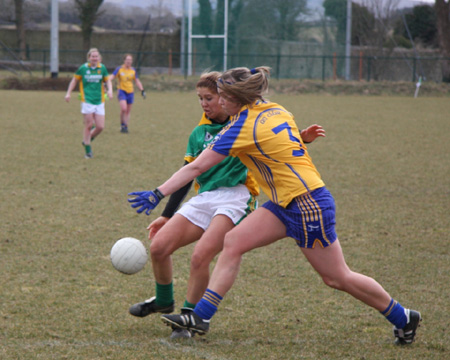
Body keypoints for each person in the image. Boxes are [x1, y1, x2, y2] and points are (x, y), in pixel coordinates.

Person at [128, 66, 421, 345]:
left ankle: (404, 317)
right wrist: (303, 140)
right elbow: (283, 145)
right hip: (284, 203)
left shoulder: (242, 127)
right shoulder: (276, 109)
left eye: (222, 96)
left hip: (308, 205)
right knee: (233, 242)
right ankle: (200, 317)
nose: (218, 100)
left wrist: (157, 193)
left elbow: (196, 167)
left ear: (234, 99)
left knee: (336, 277)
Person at [127, 71, 326, 339]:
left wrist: (302, 138)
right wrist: (166, 214)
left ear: (225, 99)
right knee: (159, 247)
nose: (204, 103)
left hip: (237, 197)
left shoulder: (241, 122)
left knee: (201, 255)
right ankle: (163, 301)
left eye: (209, 97)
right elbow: (191, 170)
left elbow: (272, 142)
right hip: (205, 197)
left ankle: (188, 317)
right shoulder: (200, 131)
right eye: (200, 98)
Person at [65, 48, 113, 159]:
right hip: (87, 100)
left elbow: (108, 81)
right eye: (93, 56)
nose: (95, 58)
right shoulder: (83, 68)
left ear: (98, 58)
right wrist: (68, 93)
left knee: (100, 127)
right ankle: (88, 151)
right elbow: (74, 81)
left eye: (96, 56)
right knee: (89, 125)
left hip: (99, 100)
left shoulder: (102, 68)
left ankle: (87, 140)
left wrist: (110, 90)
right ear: (89, 58)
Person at [109, 54, 146, 133]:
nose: (129, 61)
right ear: (124, 60)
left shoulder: (133, 70)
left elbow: (137, 81)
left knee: (128, 111)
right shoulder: (119, 69)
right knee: (123, 108)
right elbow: (111, 77)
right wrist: (106, 82)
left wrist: (142, 90)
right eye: (127, 60)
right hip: (121, 91)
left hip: (130, 92)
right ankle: (122, 124)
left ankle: (125, 126)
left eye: (130, 60)